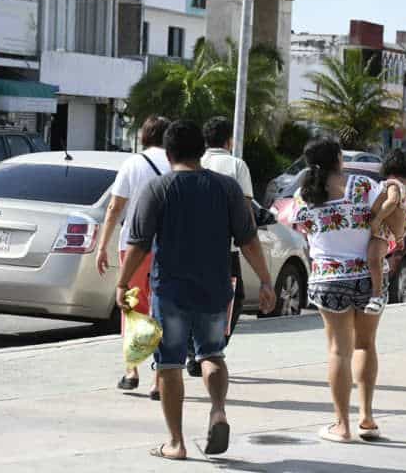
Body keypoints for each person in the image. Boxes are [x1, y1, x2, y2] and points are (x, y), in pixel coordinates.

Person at [116, 120, 276, 460]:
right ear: (201, 151)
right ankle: (218, 410)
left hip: (169, 290)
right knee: (212, 354)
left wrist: (123, 281)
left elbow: (139, 245)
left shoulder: (157, 189)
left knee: (170, 364)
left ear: (169, 152)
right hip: (216, 287)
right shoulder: (227, 188)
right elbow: (248, 240)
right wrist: (264, 280)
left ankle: (176, 442)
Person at [288, 137, 385, 443]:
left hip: (328, 278)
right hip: (368, 276)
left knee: (338, 351)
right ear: (339, 159)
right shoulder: (365, 186)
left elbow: (303, 231)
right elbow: (383, 216)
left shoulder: (303, 195)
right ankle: (367, 419)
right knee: (366, 345)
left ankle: (341, 426)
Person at [96, 115, 171, 397]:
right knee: (163, 311)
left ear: (144, 136)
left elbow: (115, 207)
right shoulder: (176, 163)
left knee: (133, 308)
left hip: (133, 246)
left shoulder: (133, 164)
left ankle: (132, 371)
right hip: (168, 246)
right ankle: (159, 379)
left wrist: (103, 245)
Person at [183, 116, 255, 377]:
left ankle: (193, 351)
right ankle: (209, 350)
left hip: (190, 244)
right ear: (229, 140)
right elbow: (245, 207)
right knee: (233, 299)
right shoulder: (236, 165)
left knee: (193, 299)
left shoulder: (195, 162)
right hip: (225, 248)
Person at [366, 149, 406, 315]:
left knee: (372, 258)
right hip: (394, 236)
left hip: (383, 231)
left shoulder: (393, 184)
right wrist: (400, 235)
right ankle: (382, 266)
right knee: (377, 258)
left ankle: (376, 296)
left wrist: (377, 219)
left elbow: (391, 202)